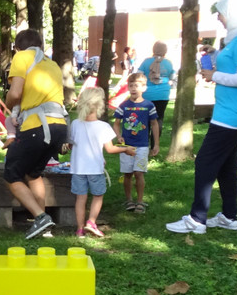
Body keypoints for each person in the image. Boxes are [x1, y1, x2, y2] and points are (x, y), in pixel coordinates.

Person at [166, 0, 237, 234]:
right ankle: (230, 216)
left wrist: (214, 76)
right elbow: (235, 65)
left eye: (221, 13)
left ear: (235, 14)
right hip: (230, 111)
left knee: (205, 162)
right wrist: (215, 54)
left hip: (232, 113)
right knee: (227, 165)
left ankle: (197, 219)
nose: (219, 17)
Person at [3, 29, 68, 239]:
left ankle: (41, 217)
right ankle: (43, 224)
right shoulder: (52, 64)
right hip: (59, 126)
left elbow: (15, 93)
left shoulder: (21, 57)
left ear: (17, 48)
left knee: (11, 174)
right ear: (41, 45)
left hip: (37, 127)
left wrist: (8, 105)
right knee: (33, 173)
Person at [69, 86, 135, 237]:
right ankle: (91, 222)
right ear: (99, 106)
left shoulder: (75, 124)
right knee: (98, 195)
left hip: (78, 169)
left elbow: (74, 145)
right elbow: (110, 149)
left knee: (80, 198)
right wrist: (125, 149)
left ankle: (79, 229)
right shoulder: (103, 126)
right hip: (95, 169)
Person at [112, 72, 159, 213]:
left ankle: (140, 201)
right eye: (131, 85)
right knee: (127, 174)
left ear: (144, 88)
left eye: (136, 86)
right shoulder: (124, 105)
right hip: (126, 146)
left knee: (139, 173)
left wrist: (156, 144)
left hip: (142, 145)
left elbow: (154, 124)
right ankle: (129, 200)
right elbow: (116, 123)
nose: (133, 88)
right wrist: (119, 136)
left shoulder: (149, 105)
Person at [138, 41, 174, 150]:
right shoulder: (168, 63)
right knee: (159, 119)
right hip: (163, 94)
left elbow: (138, 75)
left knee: (145, 119)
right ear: (165, 51)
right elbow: (172, 77)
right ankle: (155, 145)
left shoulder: (146, 62)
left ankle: (144, 144)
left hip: (147, 94)